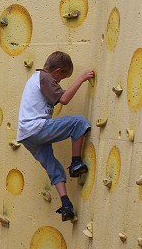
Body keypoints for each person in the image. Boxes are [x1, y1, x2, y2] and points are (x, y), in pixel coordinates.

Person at [16, 51, 94, 223]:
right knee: (78, 122)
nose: (59, 83)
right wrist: (81, 79)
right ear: (58, 71)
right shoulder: (45, 78)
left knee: (53, 166)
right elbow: (64, 99)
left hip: (26, 135)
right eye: (61, 78)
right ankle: (75, 163)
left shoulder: (36, 79)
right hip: (36, 128)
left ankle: (66, 204)